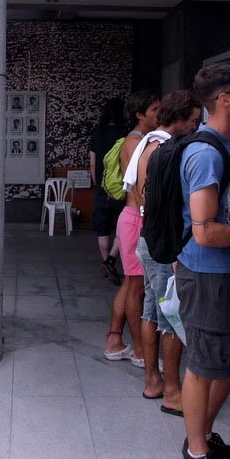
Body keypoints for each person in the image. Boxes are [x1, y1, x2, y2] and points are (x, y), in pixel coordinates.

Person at [178, 64, 230, 459]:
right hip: (206, 273)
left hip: (223, 272)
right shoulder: (206, 154)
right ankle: (196, 453)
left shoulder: (226, 146)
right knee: (203, 366)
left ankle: (202, 434)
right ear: (225, 99)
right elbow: (204, 231)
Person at [125, 90, 201, 409]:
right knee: (169, 314)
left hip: (149, 238)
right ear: (179, 118)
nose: (196, 126)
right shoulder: (164, 148)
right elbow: (161, 201)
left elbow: (140, 195)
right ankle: (170, 389)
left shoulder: (147, 143)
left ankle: (153, 380)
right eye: (194, 120)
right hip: (161, 242)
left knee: (152, 310)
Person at [102, 91, 159, 366]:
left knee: (130, 284)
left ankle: (115, 341)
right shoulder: (137, 143)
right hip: (136, 218)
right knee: (136, 287)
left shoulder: (134, 140)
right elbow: (141, 188)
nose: (160, 114)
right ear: (139, 114)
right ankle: (140, 350)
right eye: (155, 109)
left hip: (130, 217)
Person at [88, 97, 127, 285]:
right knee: (122, 226)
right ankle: (112, 259)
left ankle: (106, 262)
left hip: (102, 188)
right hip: (121, 188)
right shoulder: (126, 134)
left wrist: (98, 185)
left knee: (102, 229)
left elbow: (92, 163)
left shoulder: (97, 134)